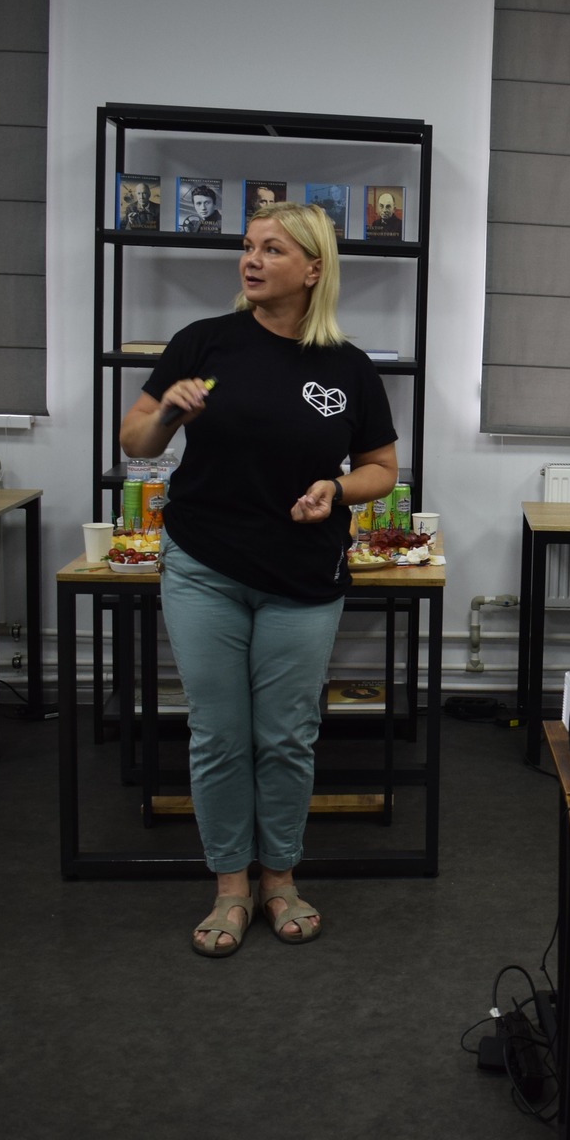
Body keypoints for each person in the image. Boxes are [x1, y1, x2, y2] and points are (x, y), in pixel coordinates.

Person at [119, 199, 397, 957]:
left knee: (285, 735)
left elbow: (380, 467)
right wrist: (169, 413)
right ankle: (230, 886)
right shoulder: (204, 342)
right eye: (248, 245)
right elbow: (135, 438)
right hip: (204, 565)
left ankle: (280, 877)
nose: (251, 259)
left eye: (272, 249)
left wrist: (336, 488)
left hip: (302, 574)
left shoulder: (348, 367)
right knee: (218, 733)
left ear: (313, 268)